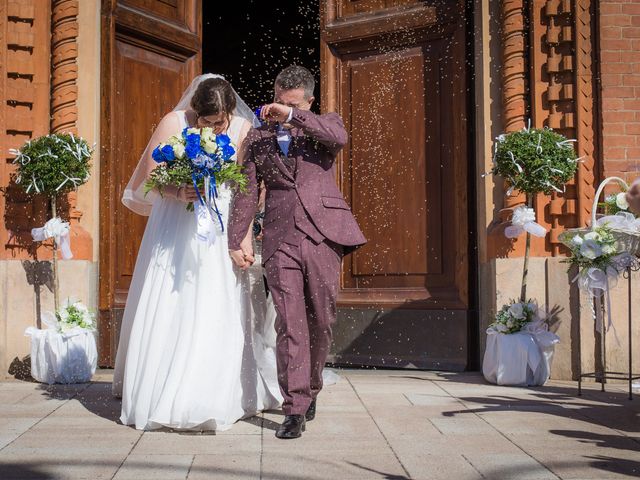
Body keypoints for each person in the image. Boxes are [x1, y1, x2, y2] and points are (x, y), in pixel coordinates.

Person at [112, 74, 282, 431]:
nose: (214, 128)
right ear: (195, 112)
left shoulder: (241, 129)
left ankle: (218, 390)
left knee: (216, 301)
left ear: (230, 113)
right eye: (207, 122)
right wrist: (177, 190)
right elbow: (150, 175)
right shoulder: (173, 123)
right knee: (175, 298)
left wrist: (245, 236)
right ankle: (160, 387)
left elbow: (253, 188)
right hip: (177, 225)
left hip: (220, 227)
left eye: (220, 122)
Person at [227, 65, 366, 439]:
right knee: (289, 322)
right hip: (279, 236)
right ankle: (294, 407)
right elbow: (245, 191)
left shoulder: (323, 125)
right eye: (279, 101)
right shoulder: (257, 138)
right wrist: (236, 238)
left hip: (324, 235)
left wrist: (293, 117)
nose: (280, 109)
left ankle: (313, 385)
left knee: (322, 319)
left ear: (307, 101)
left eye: (291, 104)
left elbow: (338, 137)